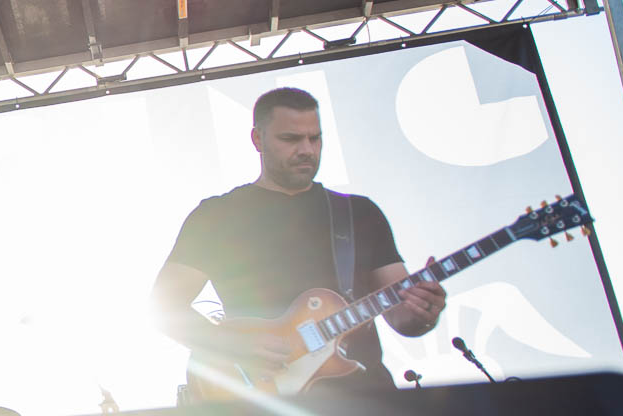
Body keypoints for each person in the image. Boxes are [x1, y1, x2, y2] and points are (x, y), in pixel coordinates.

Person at [150, 86, 445, 394]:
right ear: (258, 139)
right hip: (264, 403)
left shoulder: (359, 213)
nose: (306, 149)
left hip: (367, 398)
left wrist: (423, 311)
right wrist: (232, 343)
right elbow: (164, 307)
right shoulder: (216, 216)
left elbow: (402, 316)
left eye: (315, 138)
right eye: (291, 139)